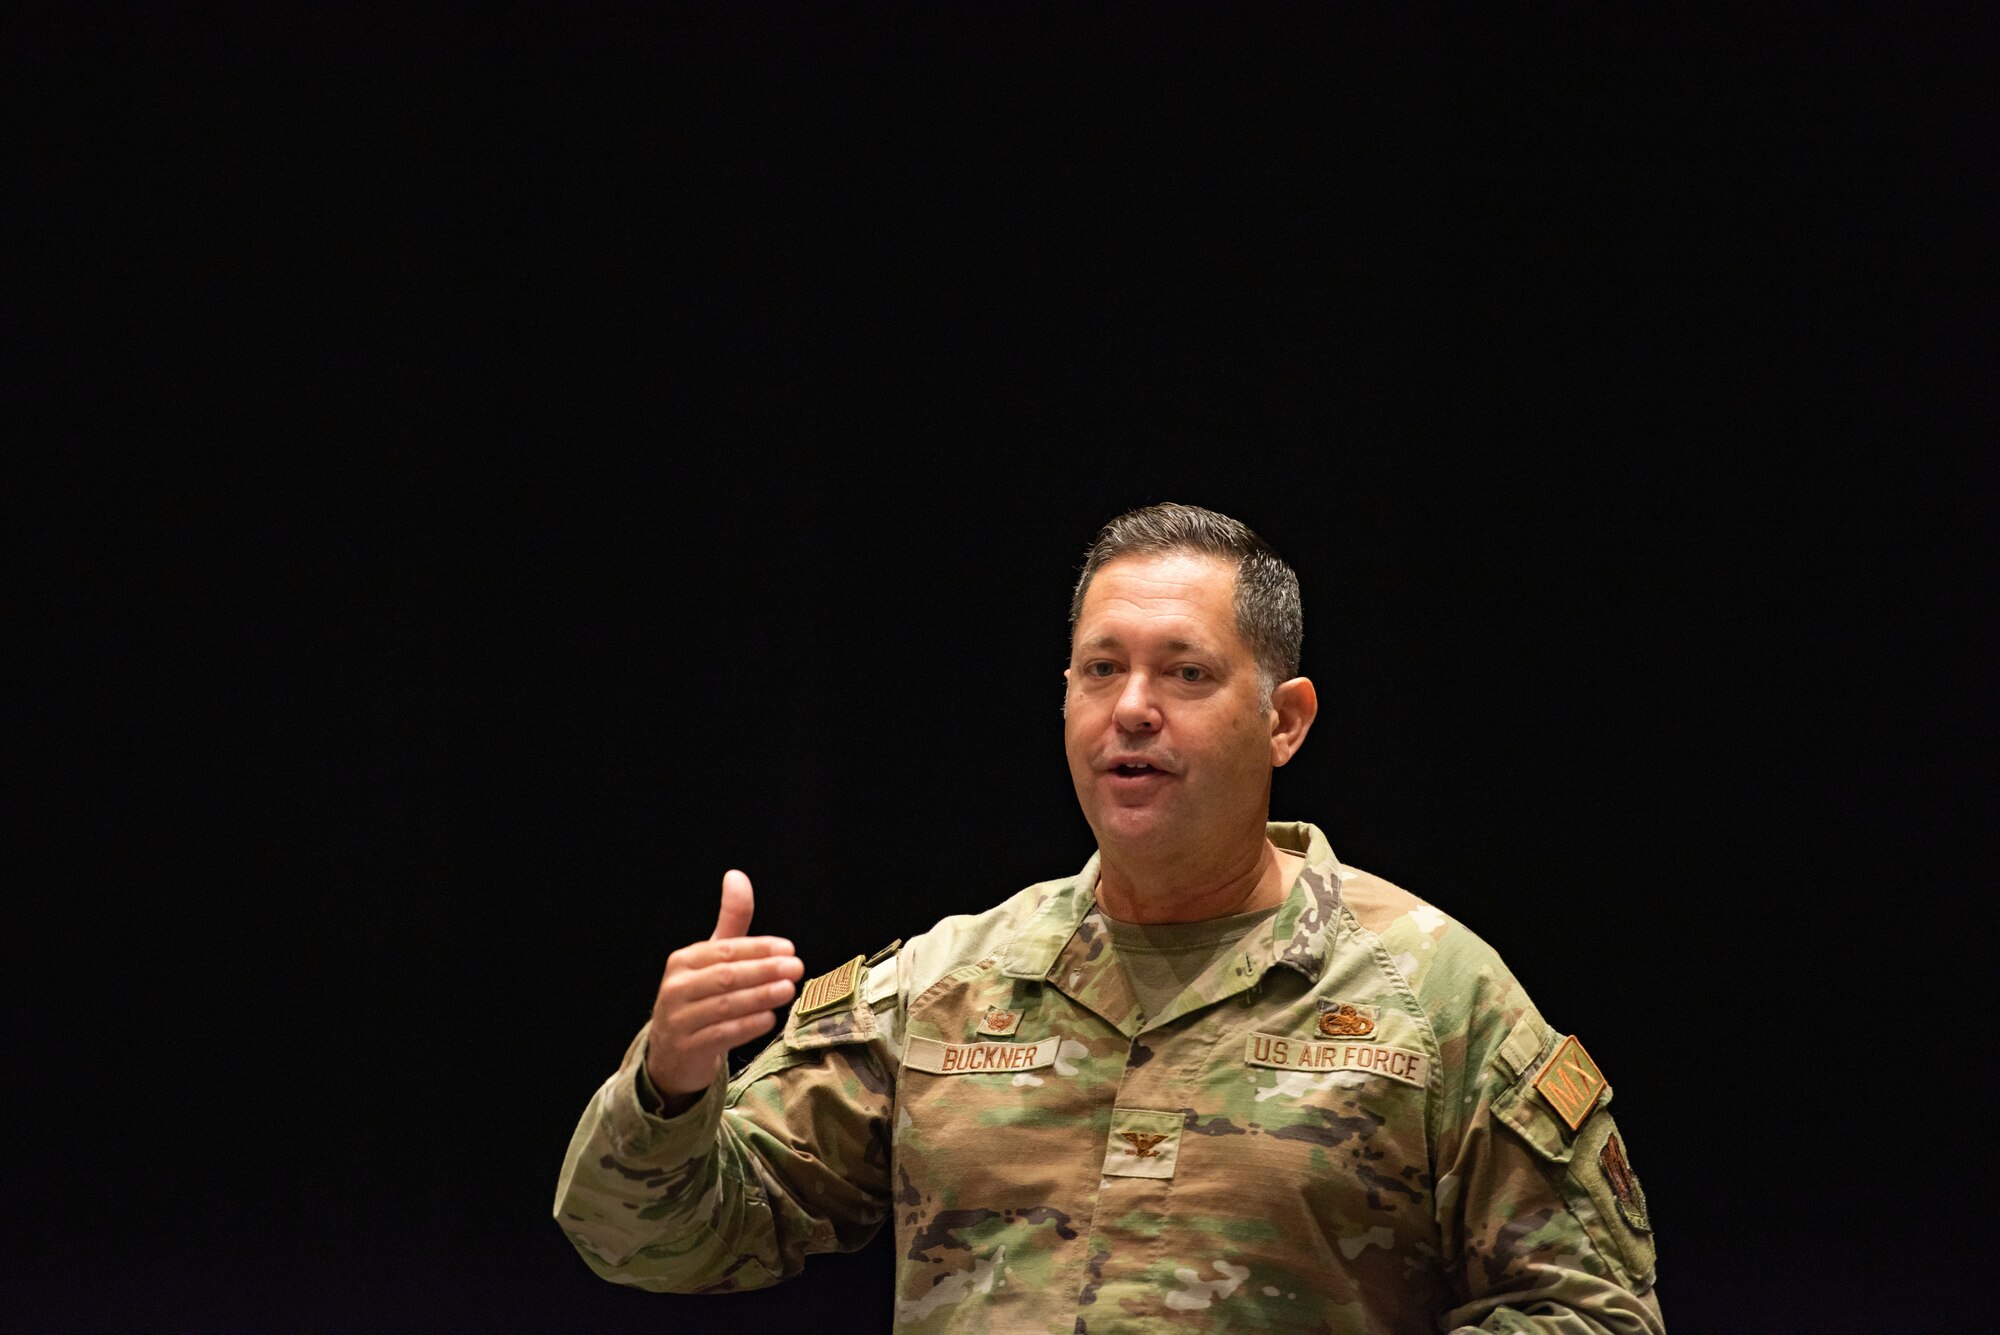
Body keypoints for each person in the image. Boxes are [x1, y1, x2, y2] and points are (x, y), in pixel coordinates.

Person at [553, 503, 1663, 1333]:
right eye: (1100, 670)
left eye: (1183, 672)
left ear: (1283, 721)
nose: (1131, 708)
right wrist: (672, 1084)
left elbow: (1591, 1315)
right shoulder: (942, 988)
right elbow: (655, 1244)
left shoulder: (1432, 996)